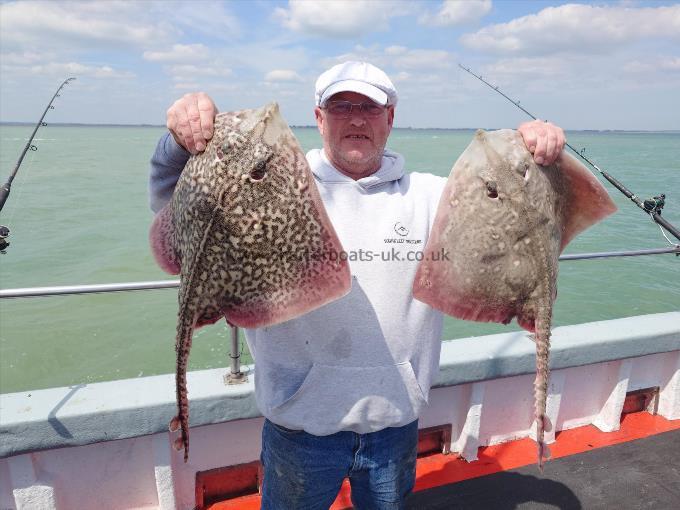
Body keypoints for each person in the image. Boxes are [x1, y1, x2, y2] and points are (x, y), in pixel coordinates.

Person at [149, 61, 565, 509]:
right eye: (341, 106)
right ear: (319, 117)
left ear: (390, 118)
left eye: (370, 107)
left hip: (394, 426)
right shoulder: (273, 180)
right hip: (299, 430)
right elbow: (177, 195)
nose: (356, 118)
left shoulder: (431, 197)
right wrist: (177, 141)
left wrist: (535, 151)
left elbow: (521, 213)